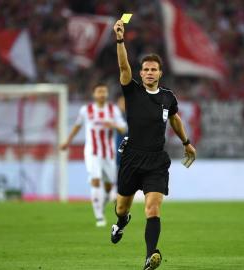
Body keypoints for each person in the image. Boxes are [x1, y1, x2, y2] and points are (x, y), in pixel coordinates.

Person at [111, 20, 197, 270]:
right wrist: (119, 40)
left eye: (153, 70)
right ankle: (121, 221)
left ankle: (151, 255)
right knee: (121, 207)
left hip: (156, 161)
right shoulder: (132, 91)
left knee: (153, 208)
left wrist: (186, 142)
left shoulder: (168, 97)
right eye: (145, 69)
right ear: (140, 73)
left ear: (160, 73)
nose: (149, 73)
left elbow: (175, 118)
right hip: (131, 158)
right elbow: (122, 65)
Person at [60, 84, 127, 227]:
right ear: (94, 94)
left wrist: (113, 125)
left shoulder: (113, 110)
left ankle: (100, 205)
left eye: (104, 91)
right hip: (92, 152)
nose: (102, 94)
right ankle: (99, 217)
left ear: (107, 94)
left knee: (109, 187)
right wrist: (67, 141)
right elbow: (77, 126)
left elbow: (123, 128)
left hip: (109, 153)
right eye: (99, 91)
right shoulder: (86, 110)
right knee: (95, 180)